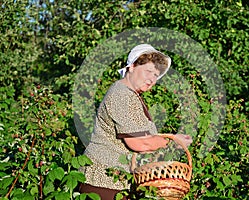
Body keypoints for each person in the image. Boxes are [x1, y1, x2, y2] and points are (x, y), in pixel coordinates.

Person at [79, 44, 193, 200]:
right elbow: (140, 143)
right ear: (131, 67)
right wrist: (173, 141)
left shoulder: (130, 95)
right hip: (104, 182)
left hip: (118, 182)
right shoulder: (122, 95)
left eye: (156, 75)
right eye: (148, 71)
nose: (152, 79)